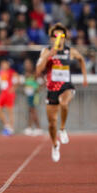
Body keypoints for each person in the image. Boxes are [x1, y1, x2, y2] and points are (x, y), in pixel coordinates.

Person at [36, 22, 88, 162]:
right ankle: (54, 145)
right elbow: (38, 70)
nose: (59, 37)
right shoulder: (46, 51)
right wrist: (49, 56)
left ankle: (63, 128)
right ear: (51, 38)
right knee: (52, 123)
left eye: (62, 35)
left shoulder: (70, 51)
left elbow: (81, 59)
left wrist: (84, 77)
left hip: (66, 86)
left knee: (63, 103)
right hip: (52, 88)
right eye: (55, 35)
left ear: (65, 37)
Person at [0, 58, 20, 136]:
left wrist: (13, 88)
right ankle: (7, 125)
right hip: (3, 93)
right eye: (2, 64)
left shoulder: (12, 72)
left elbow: (18, 80)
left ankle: (11, 128)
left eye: (4, 64)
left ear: (8, 65)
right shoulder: (1, 72)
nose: (3, 65)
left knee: (10, 111)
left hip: (9, 93)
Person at [22, 59, 43, 136]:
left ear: (31, 65)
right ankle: (30, 127)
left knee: (33, 111)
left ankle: (38, 128)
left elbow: (41, 83)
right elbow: (25, 84)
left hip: (34, 95)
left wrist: (36, 89)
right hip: (28, 95)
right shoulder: (25, 74)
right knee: (30, 111)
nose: (27, 66)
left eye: (28, 64)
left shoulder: (35, 74)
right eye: (25, 64)